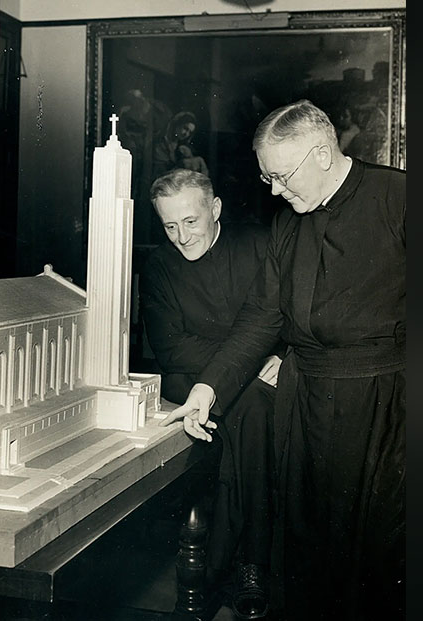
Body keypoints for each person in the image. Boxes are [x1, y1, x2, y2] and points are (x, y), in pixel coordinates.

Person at [161, 100, 409, 619]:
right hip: (305, 405)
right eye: (266, 177)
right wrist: (209, 387)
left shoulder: (398, 196)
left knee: (378, 556)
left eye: (281, 176)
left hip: (385, 407)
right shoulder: (288, 225)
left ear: (322, 153)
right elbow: (260, 317)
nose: (274, 190)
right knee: (303, 550)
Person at [141, 168, 280, 620]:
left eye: (191, 222)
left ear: (215, 209)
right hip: (189, 378)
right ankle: (250, 566)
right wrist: (246, 360)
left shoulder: (260, 246)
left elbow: (285, 321)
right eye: (169, 226)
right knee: (253, 408)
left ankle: (227, 569)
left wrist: (270, 357)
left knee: (256, 409)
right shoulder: (159, 265)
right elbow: (169, 345)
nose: (181, 237)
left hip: (262, 376)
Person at [152, 111, 210, 181]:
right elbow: (159, 173)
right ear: (177, 124)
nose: (186, 134)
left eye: (190, 132)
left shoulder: (184, 148)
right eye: (185, 128)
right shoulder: (161, 144)